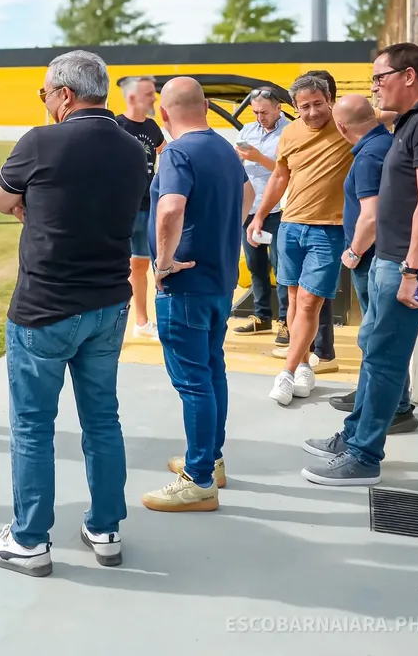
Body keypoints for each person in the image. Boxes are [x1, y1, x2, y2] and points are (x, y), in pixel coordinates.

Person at [0, 50, 147, 575]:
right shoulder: (132, 147)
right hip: (108, 302)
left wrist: (31, 202)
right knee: (102, 419)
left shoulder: (41, 141)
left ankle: (29, 537)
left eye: (47, 94)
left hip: (45, 307)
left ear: (65, 95)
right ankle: (106, 527)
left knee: (32, 426)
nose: (46, 103)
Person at [302, 43, 418, 486]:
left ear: (409, 76)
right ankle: (353, 436)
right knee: (377, 353)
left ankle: (364, 456)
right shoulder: (413, 121)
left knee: (384, 357)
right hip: (394, 260)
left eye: (379, 78)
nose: (374, 87)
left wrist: (412, 271)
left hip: (407, 265)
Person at [141, 78, 254, 512]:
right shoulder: (224, 146)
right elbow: (246, 193)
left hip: (185, 283)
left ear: (163, 115)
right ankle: (210, 459)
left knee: (193, 381)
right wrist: (219, 232)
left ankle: (200, 479)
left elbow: (169, 208)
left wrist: (164, 263)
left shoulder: (176, 152)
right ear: (205, 107)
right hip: (219, 278)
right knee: (211, 369)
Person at [247, 74, 353, 406]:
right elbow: (280, 175)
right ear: (294, 107)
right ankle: (305, 364)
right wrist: (261, 215)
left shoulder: (347, 123)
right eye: (304, 106)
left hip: (329, 229)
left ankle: (286, 372)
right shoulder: (291, 133)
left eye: (318, 104)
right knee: (292, 301)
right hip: (291, 226)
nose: (312, 112)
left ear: (330, 100)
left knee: (310, 303)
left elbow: (392, 113)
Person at [325, 94, 418, 434]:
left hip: (373, 258)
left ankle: (390, 408)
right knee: (380, 339)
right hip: (390, 254)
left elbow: (370, 216)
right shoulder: (385, 142)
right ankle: (383, 400)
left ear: (341, 126)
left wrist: (352, 252)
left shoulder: (367, 157)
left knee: (375, 340)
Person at [232, 87, 289, 338]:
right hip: (250, 209)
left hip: (278, 209)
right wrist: (240, 159)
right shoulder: (248, 130)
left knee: (282, 267)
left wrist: (258, 157)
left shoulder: (290, 132)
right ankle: (262, 316)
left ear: (279, 108)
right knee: (256, 266)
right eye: (255, 112)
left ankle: (286, 321)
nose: (259, 117)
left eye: (264, 112)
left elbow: (288, 169)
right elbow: (238, 164)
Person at [116, 75, 165, 340]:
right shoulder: (116, 124)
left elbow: (166, 152)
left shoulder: (152, 126)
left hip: (146, 206)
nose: (154, 98)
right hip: (120, 208)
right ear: (133, 97)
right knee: (116, 266)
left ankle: (142, 323)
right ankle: (113, 323)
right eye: (149, 94)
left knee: (142, 266)